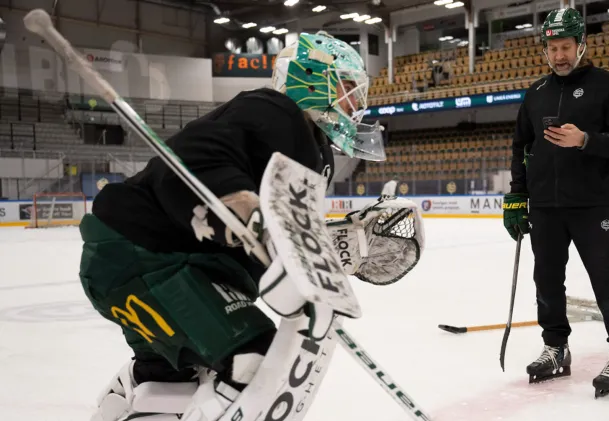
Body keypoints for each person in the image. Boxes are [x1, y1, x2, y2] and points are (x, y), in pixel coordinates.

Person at [79, 32, 391, 420]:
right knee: (253, 362)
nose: (355, 104)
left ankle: (136, 392)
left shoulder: (313, 146)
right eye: (347, 89)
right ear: (311, 80)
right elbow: (196, 159)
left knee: (173, 382)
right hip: (147, 259)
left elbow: (282, 232)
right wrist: (240, 201)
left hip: (157, 264)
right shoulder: (274, 110)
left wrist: (344, 243)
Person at [501, 7, 609, 398]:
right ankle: (556, 347)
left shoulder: (608, 86)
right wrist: (517, 196)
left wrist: (586, 140)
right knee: (546, 279)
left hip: (592, 205)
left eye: (566, 46)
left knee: (606, 276)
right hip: (545, 206)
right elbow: (520, 147)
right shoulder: (536, 93)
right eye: (552, 48)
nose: (559, 55)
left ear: (581, 45)